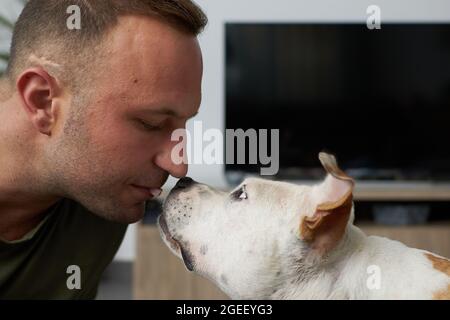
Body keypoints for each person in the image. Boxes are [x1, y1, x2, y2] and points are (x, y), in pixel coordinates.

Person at [0, 0, 207, 299]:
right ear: (43, 101)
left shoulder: (102, 200)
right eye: (150, 123)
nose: (179, 165)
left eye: (181, 125)